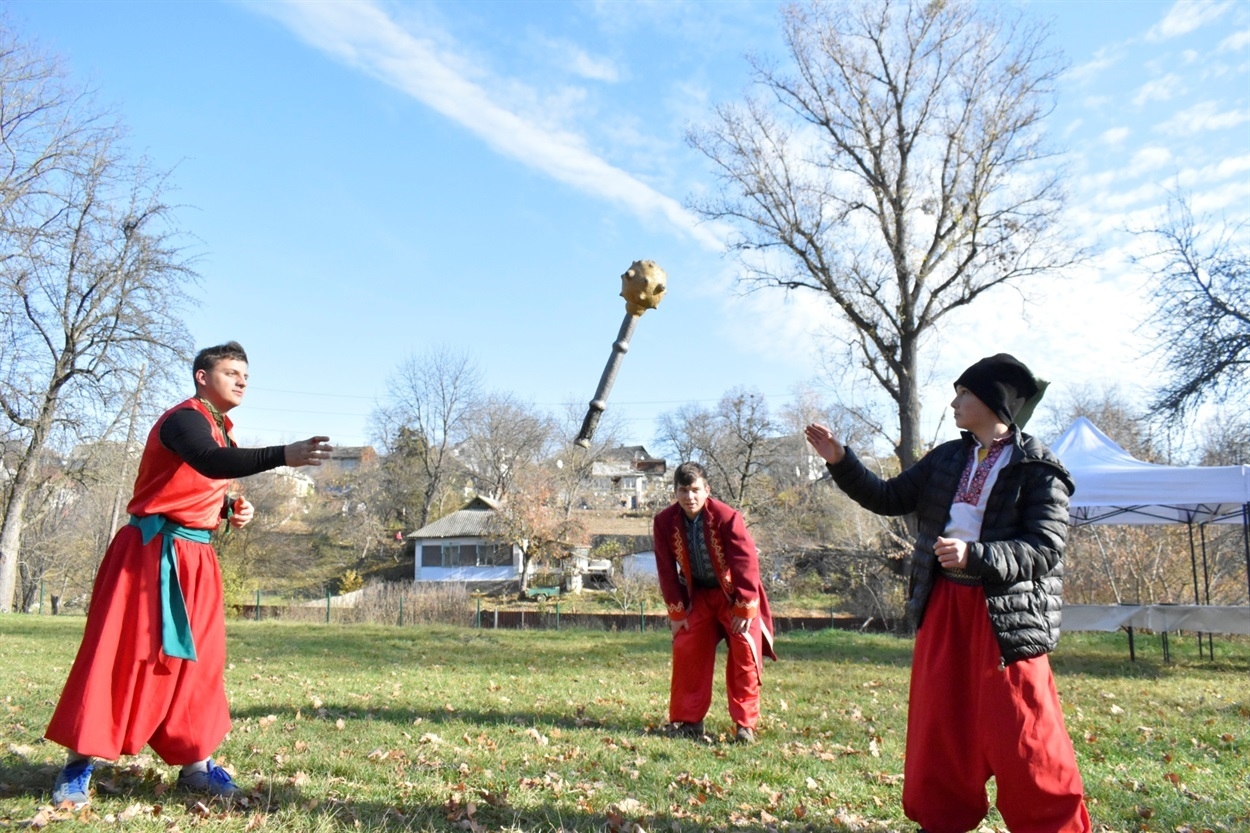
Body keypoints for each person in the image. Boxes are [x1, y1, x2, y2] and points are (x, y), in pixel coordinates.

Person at [804, 354, 1091, 833]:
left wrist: (976, 555)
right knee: (941, 723)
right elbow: (888, 497)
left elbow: (1044, 549)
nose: (954, 402)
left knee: (1024, 730)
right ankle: (942, 820)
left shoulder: (1039, 466)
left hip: (1005, 616)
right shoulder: (948, 458)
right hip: (943, 607)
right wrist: (841, 460)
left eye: (964, 394)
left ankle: (1052, 825)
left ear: (993, 402)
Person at [46, 342, 332, 808]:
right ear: (203, 377)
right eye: (231, 372)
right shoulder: (185, 419)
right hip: (149, 555)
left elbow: (192, 484)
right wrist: (284, 453)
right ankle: (78, 766)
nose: (242, 381)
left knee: (200, 664)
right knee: (122, 655)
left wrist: (227, 507)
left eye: (246, 375)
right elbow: (207, 461)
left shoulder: (221, 426)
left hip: (196, 559)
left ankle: (196, 766)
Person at [653, 462, 775, 743]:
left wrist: (744, 605)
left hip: (733, 596)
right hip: (698, 598)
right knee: (686, 646)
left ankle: (745, 725)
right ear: (676, 492)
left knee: (745, 651)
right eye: (683, 490)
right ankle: (689, 722)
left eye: (695, 490)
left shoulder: (727, 517)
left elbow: (746, 561)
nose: (689, 497)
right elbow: (666, 570)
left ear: (707, 490)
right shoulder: (664, 522)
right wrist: (677, 613)